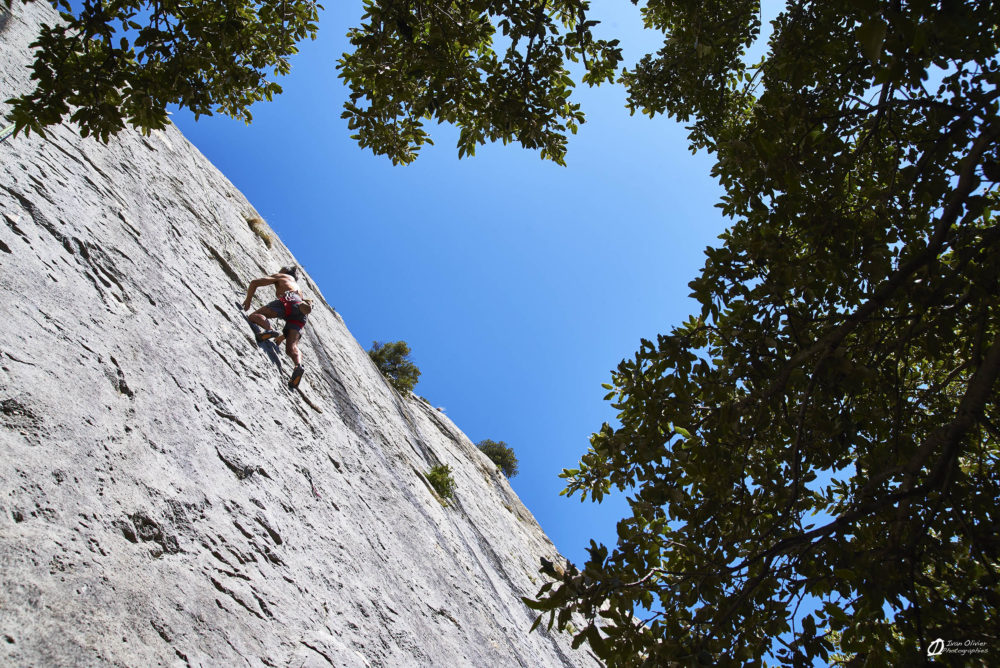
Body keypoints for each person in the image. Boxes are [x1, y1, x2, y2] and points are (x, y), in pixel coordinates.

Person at [242, 265, 313, 388]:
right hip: (300, 312)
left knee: (254, 316)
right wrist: (282, 337)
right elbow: (294, 312)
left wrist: (248, 300)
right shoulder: (298, 289)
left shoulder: (283, 276)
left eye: (279, 270)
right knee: (291, 348)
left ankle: (269, 330)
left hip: (289, 300)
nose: (277, 272)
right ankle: (298, 365)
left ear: (285, 271)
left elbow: (255, 283)